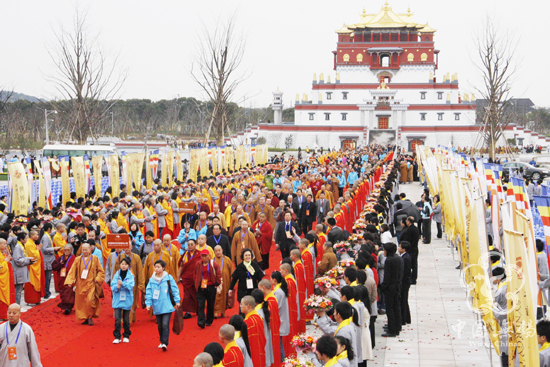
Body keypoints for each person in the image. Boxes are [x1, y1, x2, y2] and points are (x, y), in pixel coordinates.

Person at [64, 243, 105, 325]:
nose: (85, 251)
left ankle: (90, 317)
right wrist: (70, 281)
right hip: (80, 284)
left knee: (90, 301)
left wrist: (97, 279)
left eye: (86, 249)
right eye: (83, 250)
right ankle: (85, 318)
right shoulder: (78, 259)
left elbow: (101, 271)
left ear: (90, 250)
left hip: (91, 283)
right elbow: (72, 271)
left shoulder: (95, 258)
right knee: (82, 302)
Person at [145, 259, 181, 351]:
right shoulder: (152, 280)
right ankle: (162, 340)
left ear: (163, 268)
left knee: (165, 324)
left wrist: (177, 301)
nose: (156, 269)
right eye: (155, 267)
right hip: (157, 306)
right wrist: (148, 304)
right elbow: (148, 292)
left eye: (158, 267)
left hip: (167, 305)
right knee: (160, 325)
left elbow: (174, 289)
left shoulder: (168, 278)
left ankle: (165, 342)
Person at [316, 301, 358, 367]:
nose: (334, 314)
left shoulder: (344, 330)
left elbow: (329, 330)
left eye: (335, 312)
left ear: (339, 314)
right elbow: (333, 325)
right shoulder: (347, 324)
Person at [114, 247, 145, 323]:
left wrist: (141, 284)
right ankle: (124, 319)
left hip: (133, 284)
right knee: (122, 300)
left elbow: (140, 271)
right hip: (121, 283)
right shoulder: (120, 257)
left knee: (132, 301)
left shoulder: (136, 257)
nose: (127, 249)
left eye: (129, 247)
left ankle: (130, 318)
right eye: (125, 247)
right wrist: (114, 282)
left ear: (131, 247)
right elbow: (115, 270)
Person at [194, 248, 222, 329]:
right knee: (201, 304)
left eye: (205, 256)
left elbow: (218, 273)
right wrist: (196, 283)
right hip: (201, 287)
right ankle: (201, 321)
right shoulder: (198, 264)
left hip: (210, 286)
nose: (204, 258)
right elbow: (195, 274)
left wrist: (217, 282)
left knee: (210, 304)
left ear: (209, 256)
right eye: (202, 256)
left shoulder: (214, 264)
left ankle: (209, 320)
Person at [380, 242, 403, 337]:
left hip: (390, 287)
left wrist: (383, 286)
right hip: (397, 286)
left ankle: (392, 329)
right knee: (396, 307)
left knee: (390, 308)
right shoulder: (398, 258)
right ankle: (397, 326)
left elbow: (387, 277)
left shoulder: (389, 260)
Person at [111, 257, 134, 344]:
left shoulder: (130, 275)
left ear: (128, 266)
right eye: (122, 264)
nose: (123, 266)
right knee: (117, 318)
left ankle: (126, 335)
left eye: (125, 264)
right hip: (118, 299)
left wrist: (123, 284)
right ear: (120, 265)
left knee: (126, 319)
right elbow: (112, 285)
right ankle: (117, 336)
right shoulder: (117, 275)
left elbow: (131, 285)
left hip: (127, 299)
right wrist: (116, 287)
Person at [258, 279, 282, 365]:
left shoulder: (269, 301)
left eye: (259, 288)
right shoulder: (270, 298)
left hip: (271, 329)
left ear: (263, 288)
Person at [268, 272, 290, 362]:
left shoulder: (278, 292)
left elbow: (275, 306)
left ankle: (282, 361)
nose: (270, 280)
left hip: (280, 320)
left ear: (275, 280)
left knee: (279, 344)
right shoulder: (279, 290)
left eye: (271, 278)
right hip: (281, 319)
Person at [240, 295, 266, 367]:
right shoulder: (258, 317)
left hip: (253, 355)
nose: (240, 306)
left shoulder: (248, 322)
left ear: (248, 306)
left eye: (241, 304)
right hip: (260, 351)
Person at [179, 239, 201, 320]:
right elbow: (181, 266)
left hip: (196, 279)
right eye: (189, 244)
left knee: (196, 295)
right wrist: (178, 276)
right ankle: (188, 312)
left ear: (195, 245)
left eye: (192, 244)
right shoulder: (185, 254)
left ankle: (198, 309)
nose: (190, 246)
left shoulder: (199, 254)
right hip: (187, 279)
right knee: (187, 296)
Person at [279, 263, 298, 355]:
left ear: (285, 271)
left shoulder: (288, 281)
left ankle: (289, 353)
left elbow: (289, 298)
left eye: (281, 270)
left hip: (289, 309)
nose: (280, 272)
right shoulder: (288, 279)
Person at [51, 244, 76, 315]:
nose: (66, 251)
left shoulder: (74, 258)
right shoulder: (61, 258)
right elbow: (54, 267)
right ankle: (66, 306)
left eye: (68, 250)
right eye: (65, 250)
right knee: (63, 293)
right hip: (61, 279)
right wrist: (60, 264)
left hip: (70, 279)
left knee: (69, 293)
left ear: (71, 251)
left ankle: (68, 308)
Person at [12, 232, 35, 305]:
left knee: (19, 290)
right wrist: (28, 260)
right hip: (19, 271)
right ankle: (16, 306)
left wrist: (28, 259)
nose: (27, 239)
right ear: (21, 239)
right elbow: (18, 260)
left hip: (21, 271)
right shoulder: (17, 247)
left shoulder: (21, 245)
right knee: (17, 291)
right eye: (26, 238)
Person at [40, 223, 60, 300]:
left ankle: (47, 292)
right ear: (49, 229)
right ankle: (46, 293)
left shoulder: (47, 235)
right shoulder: (45, 237)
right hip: (47, 259)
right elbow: (44, 249)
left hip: (49, 259)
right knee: (47, 277)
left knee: (48, 277)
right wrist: (54, 249)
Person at [214, 245, 234, 318]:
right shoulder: (212, 260)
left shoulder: (227, 259)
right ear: (214, 252)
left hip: (225, 281)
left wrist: (233, 282)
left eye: (219, 250)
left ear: (222, 250)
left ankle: (223, 311)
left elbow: (232, 271)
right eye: (216, 251)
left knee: (224, 296)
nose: (218, 252)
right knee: (216, 296)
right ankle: (215, 312)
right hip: (216, 281)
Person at [0, 239, 14, 319]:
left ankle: (6, 314)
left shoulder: (3, 253)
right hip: (2, 280)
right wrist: (6, 262)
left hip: (6, 278)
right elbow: (0, 268)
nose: (6, 246)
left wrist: (7, 259)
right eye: (4, 244)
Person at [399, 241, 412, 325]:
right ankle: (406, 317)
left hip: (405, 282)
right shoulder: (404, 257)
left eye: (400, 247)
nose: (398, 248)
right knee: (404, 300)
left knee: (403, 300)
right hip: (405, 281)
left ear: (404, 249)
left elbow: (405, 271)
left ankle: (403, 318)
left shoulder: (405, 258)